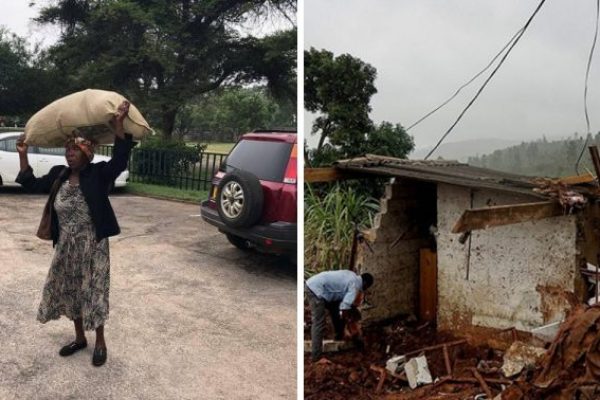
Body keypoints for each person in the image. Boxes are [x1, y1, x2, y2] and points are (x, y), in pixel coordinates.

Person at [16, 101, 134, 367]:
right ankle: (80, 338)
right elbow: (32, 185)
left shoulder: (98, 174)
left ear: (87, 154)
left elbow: (119, 160)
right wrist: (23, 154)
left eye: (75, 150)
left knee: (94, 293)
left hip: (93, 247)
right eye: (68, 150)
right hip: (66, 247)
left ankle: (100, 341)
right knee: (71, 292)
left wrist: (119, 127)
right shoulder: (59, 174)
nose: (70, 155)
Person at [305, 269, 374, 362]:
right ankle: (316, 357)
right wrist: (348, 322)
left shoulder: (352, 275)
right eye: (366, 288)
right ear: (365, 284)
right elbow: (345, 308)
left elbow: (343, 304)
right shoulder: (355, 286)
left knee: (335, 310)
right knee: (319, 322)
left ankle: (339, 336)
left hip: (320, 287)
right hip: (316, 290)